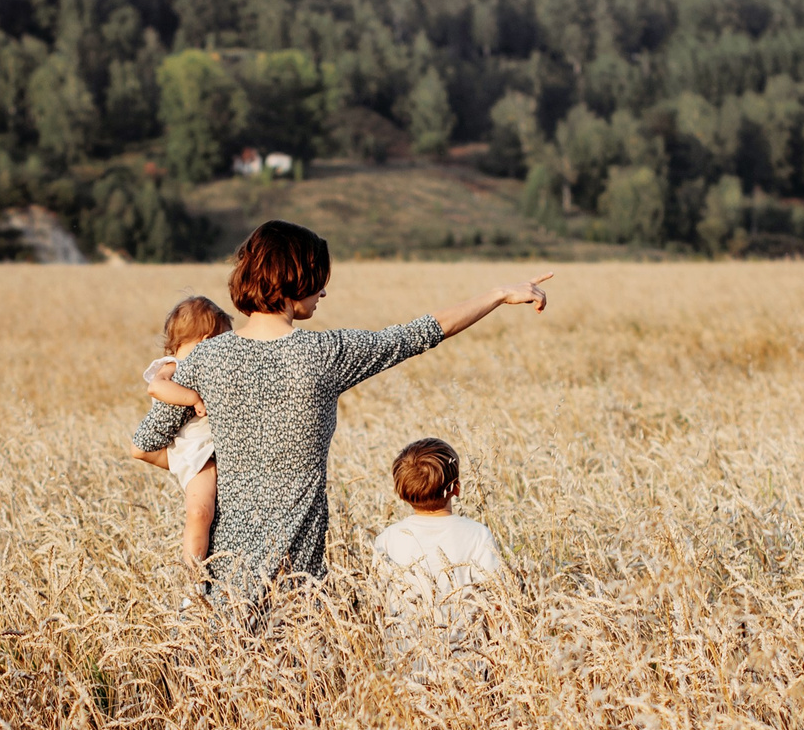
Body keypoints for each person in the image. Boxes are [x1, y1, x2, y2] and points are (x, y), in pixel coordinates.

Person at [146, 219, 549, 613]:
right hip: (296, 583)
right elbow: (421, 333)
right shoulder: (327, 353)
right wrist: (497, 295)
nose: (324, 291)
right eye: (318, 279)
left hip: (221, 582)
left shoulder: (206, 358)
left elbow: (145, 444)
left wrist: (208, 469)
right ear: (293, 281)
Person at [372, 437, 502, 671]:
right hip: (465, 667)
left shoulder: (386, 540)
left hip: (404, 666)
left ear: (401, 493)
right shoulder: (477, 535)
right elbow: (496, 605)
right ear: (457, 488)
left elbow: (378, 606)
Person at [130, 295, 234, 577]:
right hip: (196, 455)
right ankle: (195, 578)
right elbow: (156, 388)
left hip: (206, 451)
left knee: (211, 514)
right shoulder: (174, 366)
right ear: (206, 341)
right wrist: (193, 398)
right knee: (199, 513)